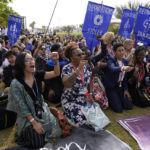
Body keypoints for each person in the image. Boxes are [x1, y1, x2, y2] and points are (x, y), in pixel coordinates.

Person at [7, 52, 62, 148]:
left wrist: (56, 61)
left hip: (41, 111)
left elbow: (56, 73)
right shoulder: (16, 83)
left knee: (55, 129)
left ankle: (42, 130)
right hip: (28, 117)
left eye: (32, 59)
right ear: (21, 64)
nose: (31, 61)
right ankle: (25, 134)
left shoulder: (37, 74)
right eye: (27, 60)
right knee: (37, 142)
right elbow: (22, 106)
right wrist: (34, 123)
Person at [61, 42, 92, 126]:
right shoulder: (66, 68)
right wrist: (78, 69)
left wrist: (89, 96)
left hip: (82, 98)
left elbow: (86, 83)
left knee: (94, 118)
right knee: (84, 122)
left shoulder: (86, 67)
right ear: (71, 58)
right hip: (70, 100)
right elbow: (67, 85)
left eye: (82, 54)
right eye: (79, 55)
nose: (82, 56)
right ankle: (67, 113)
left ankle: (72, 114)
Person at [104, 43, 133, 113]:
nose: (121, 52)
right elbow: (112, 68)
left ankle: (118, 99)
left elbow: (125, 78)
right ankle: (111, 99)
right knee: (119, 110)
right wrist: (123, 68)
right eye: (119, 51)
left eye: (122, 50)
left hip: (121, 87)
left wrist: (126, 90)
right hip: (112, 87)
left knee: (129, 106)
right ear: (114, 52)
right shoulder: (111, 59)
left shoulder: (125, 61)